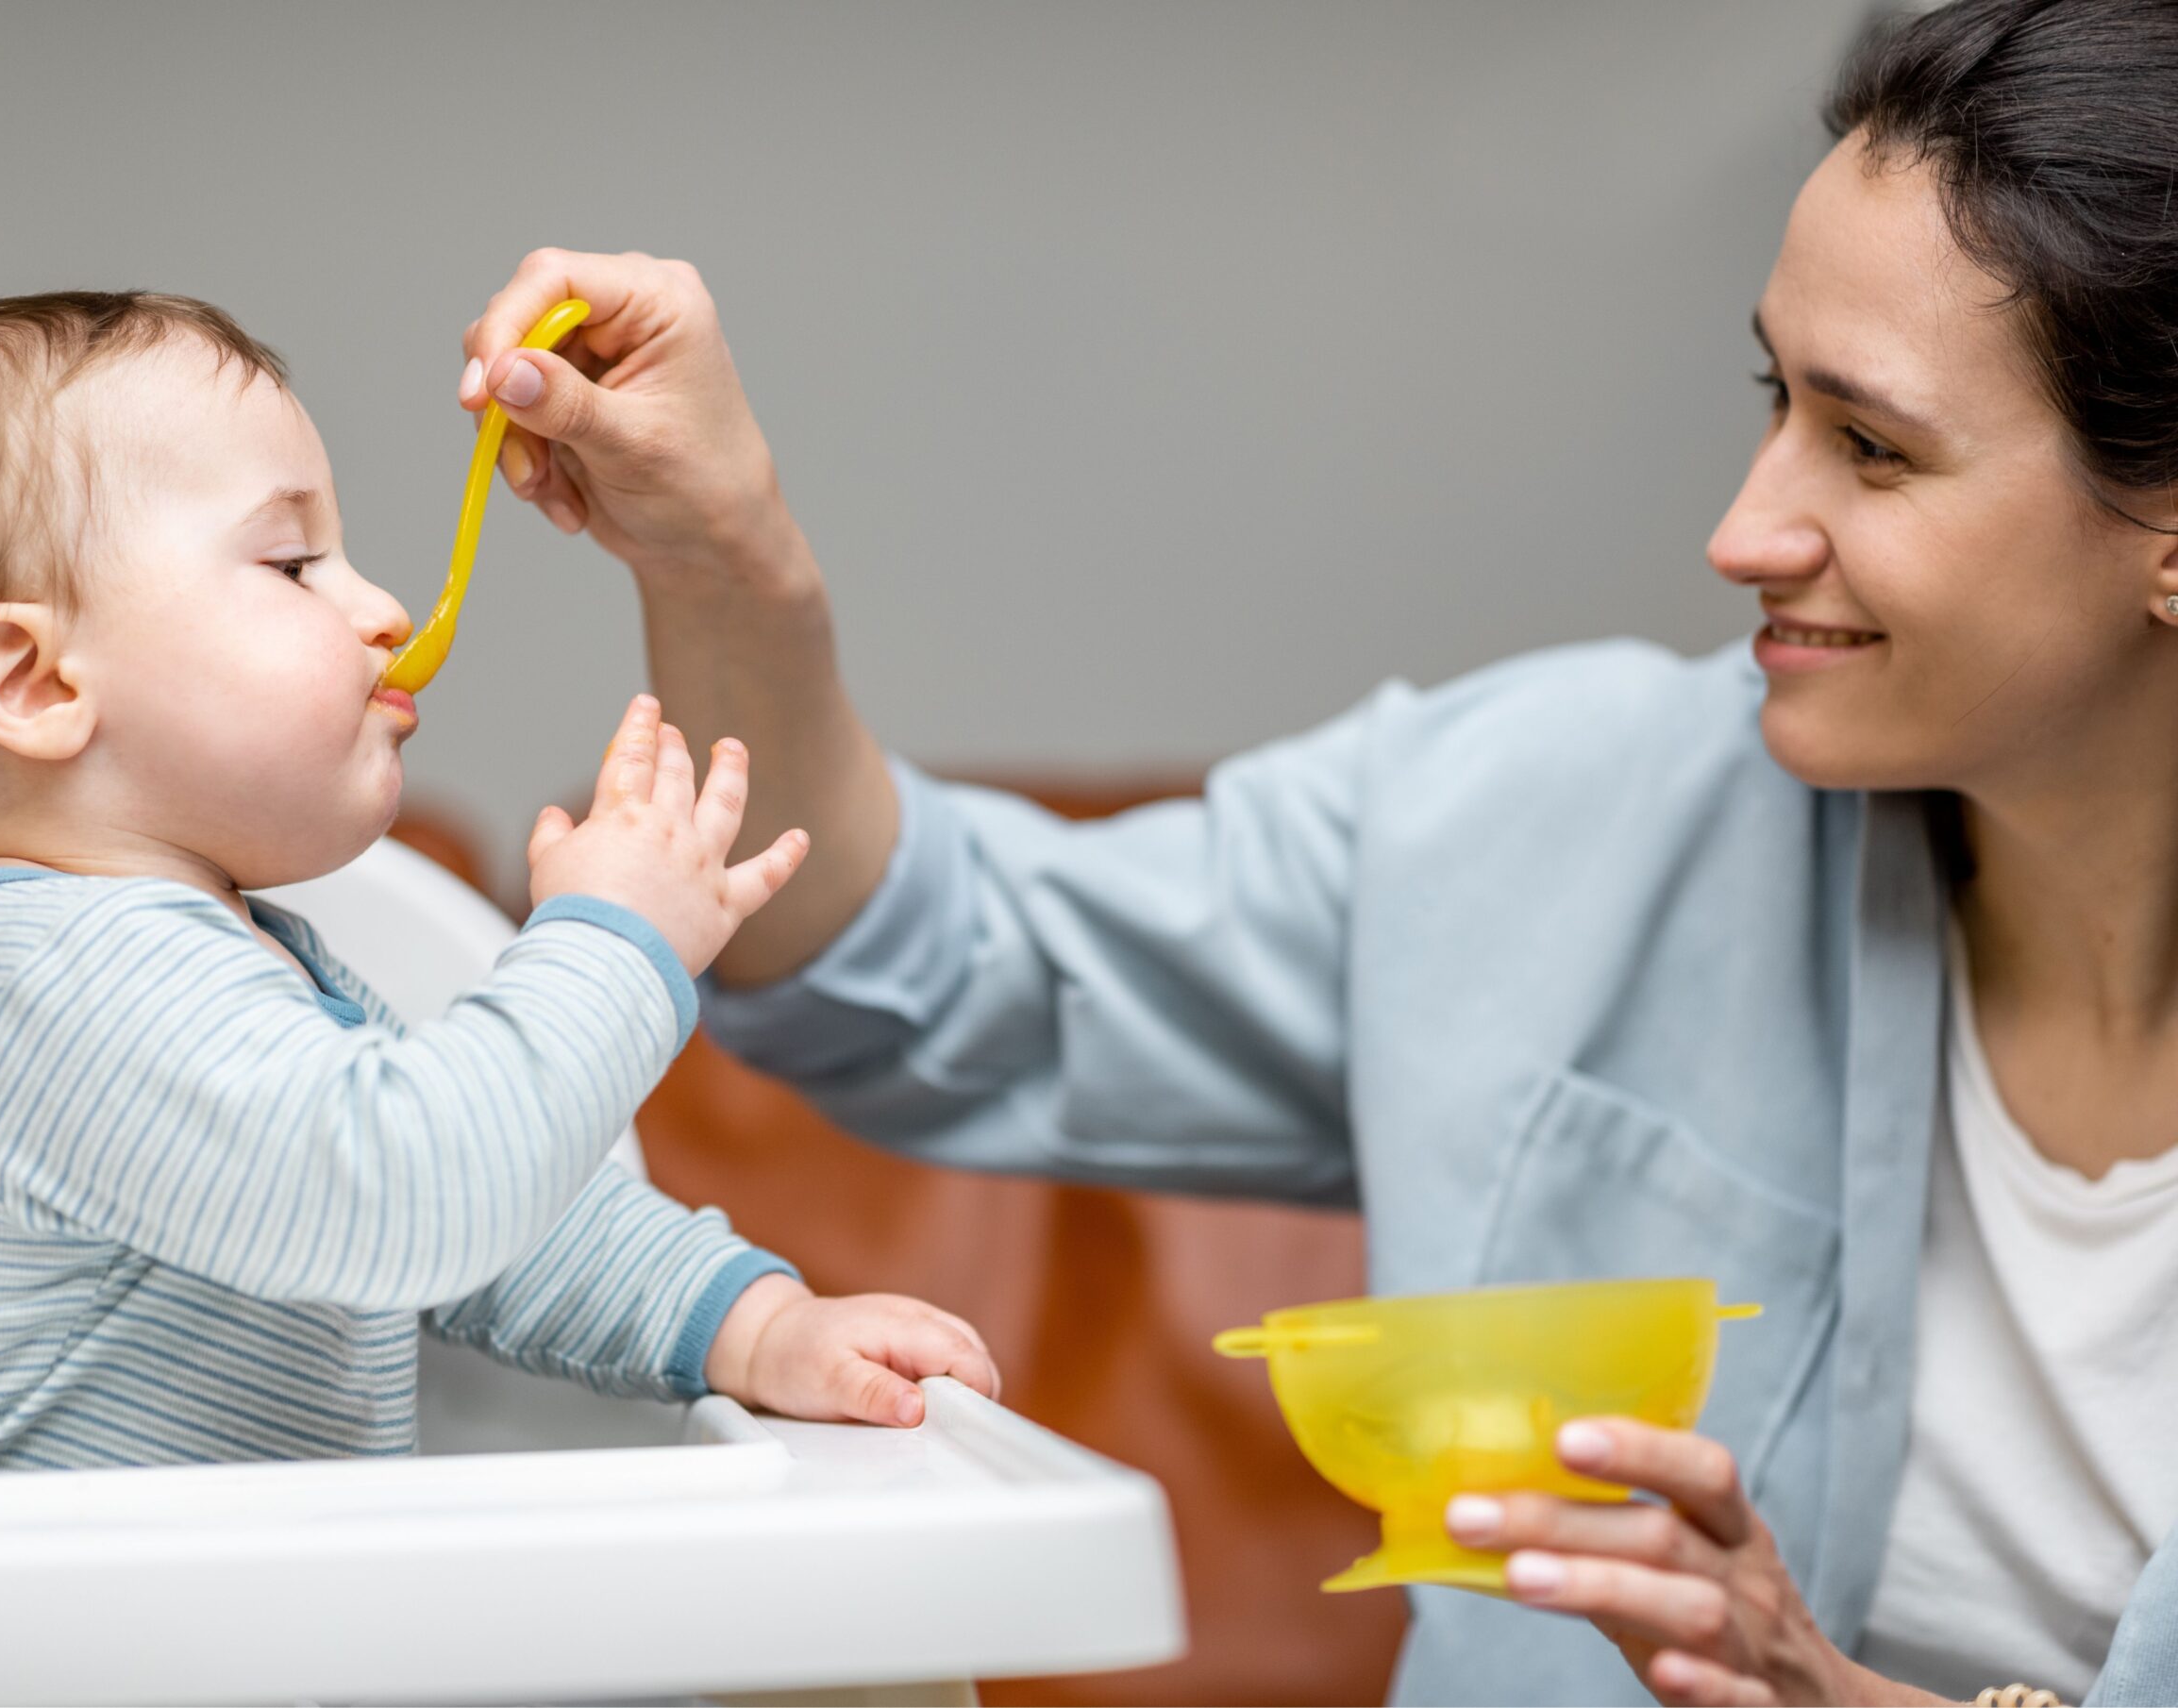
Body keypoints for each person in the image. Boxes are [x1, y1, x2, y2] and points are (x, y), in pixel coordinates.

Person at [446, 0, 2178, 1700]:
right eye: (1771, 398)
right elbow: (917, 965)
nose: (1741, 528)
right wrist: (721, 550)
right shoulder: (1561, 808)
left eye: (1870, 446)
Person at [0, 291, 999, 1478]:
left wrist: (753, 1324)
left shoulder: (222, 959)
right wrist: (612, 939)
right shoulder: (56, 977)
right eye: (296, 563)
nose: (384, 607)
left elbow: (493, 1229)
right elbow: (421, 1192)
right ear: (32, 685)